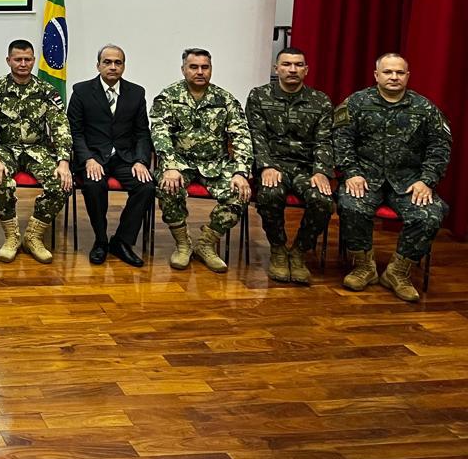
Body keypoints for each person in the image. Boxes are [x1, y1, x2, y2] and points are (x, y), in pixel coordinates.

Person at [335, 53, 451, 303]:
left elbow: (440, 147)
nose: (394, 77)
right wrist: (352, 172)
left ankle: (397, 272)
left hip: (409, 181)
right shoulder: (357, 103)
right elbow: (341, 140)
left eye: (399, 72)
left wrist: (427, 180)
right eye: (388, 72)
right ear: (376, 75)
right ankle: (364, 267)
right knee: (351, 206)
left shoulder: (425, 108)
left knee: (430, 215)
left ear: (407, 76)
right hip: (366, 177)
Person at [150, 48, 253, 273]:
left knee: (239, 193)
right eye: (194, 67)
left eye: (205, 67)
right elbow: (159, 132)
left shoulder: (225, 99)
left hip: (216, 164)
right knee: (168, 188)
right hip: (180, 163)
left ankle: (206, 243)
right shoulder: (168, 97)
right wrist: (170, 166)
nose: (200, 72)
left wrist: (240, 172)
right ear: (183, 69)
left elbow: (242, 136)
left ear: (211, 69)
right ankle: (183, 244)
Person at [0, 39, 73, 264]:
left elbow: (61, 126)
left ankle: (33, 236)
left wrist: (63, 161)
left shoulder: (46, 90)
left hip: (37, 149)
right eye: (18, 59)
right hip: (4, 149)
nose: (23, 64)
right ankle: (12, 236)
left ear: (33, 60)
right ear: (8, 60)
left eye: (27, 59)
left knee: (61, 182)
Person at [245, 47, 334, 285]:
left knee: (323, 199)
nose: (292, 69)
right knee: (270, 193)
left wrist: (321, 171)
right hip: (273, 165)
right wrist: (266, 166)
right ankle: (278, 248)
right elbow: (256, 135)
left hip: (306, 168)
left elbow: (324, 140)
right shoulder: (259, 96)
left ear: (306, 70)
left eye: (298, 65)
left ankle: (299, 252)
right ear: (276, 69)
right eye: (286, 64)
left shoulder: (320, 101)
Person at [67, 44, 153, 267]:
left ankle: (122, 241)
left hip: (125, 157)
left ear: (124, 66)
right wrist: (88, 159)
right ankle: (101, 240)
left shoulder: (136, 93)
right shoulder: (81, 91)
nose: (113, 67)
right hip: (94, 157)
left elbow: (142, 132)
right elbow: (75, 132)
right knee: (94, 184)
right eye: (107, 62)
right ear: (98, 65)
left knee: (146, 186)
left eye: (118, 62)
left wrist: (141, 161)